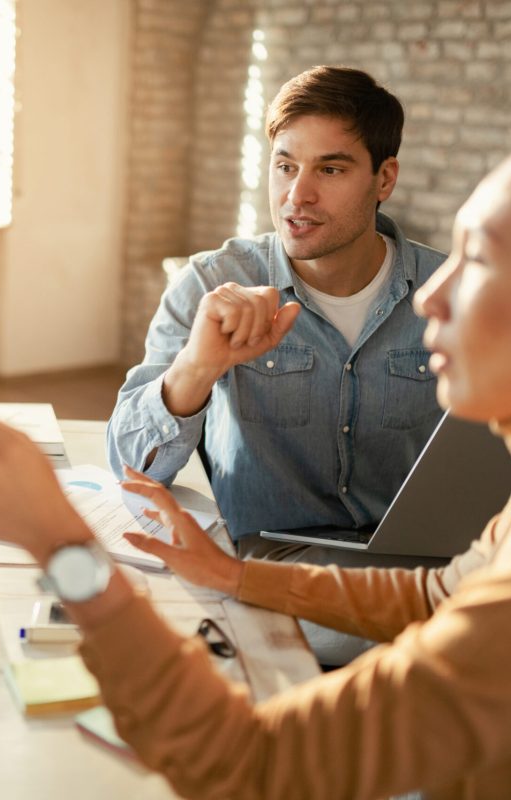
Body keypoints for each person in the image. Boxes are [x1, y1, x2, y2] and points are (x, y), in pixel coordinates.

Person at [0, 101, 511, 797]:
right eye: (285, 164)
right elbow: (435, 596)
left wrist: (62, 545)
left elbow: (250, 764)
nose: (429, 297)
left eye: (478, 260)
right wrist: (230, 573)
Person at [106, 66, 446, 562]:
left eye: (330, 170)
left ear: (384, 179)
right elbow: (132, 469)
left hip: (425, 562)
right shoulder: (209, 283)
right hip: (274, 561)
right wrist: (197, 367)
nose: (297, 195)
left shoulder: (451, 292)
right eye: (285, 166)